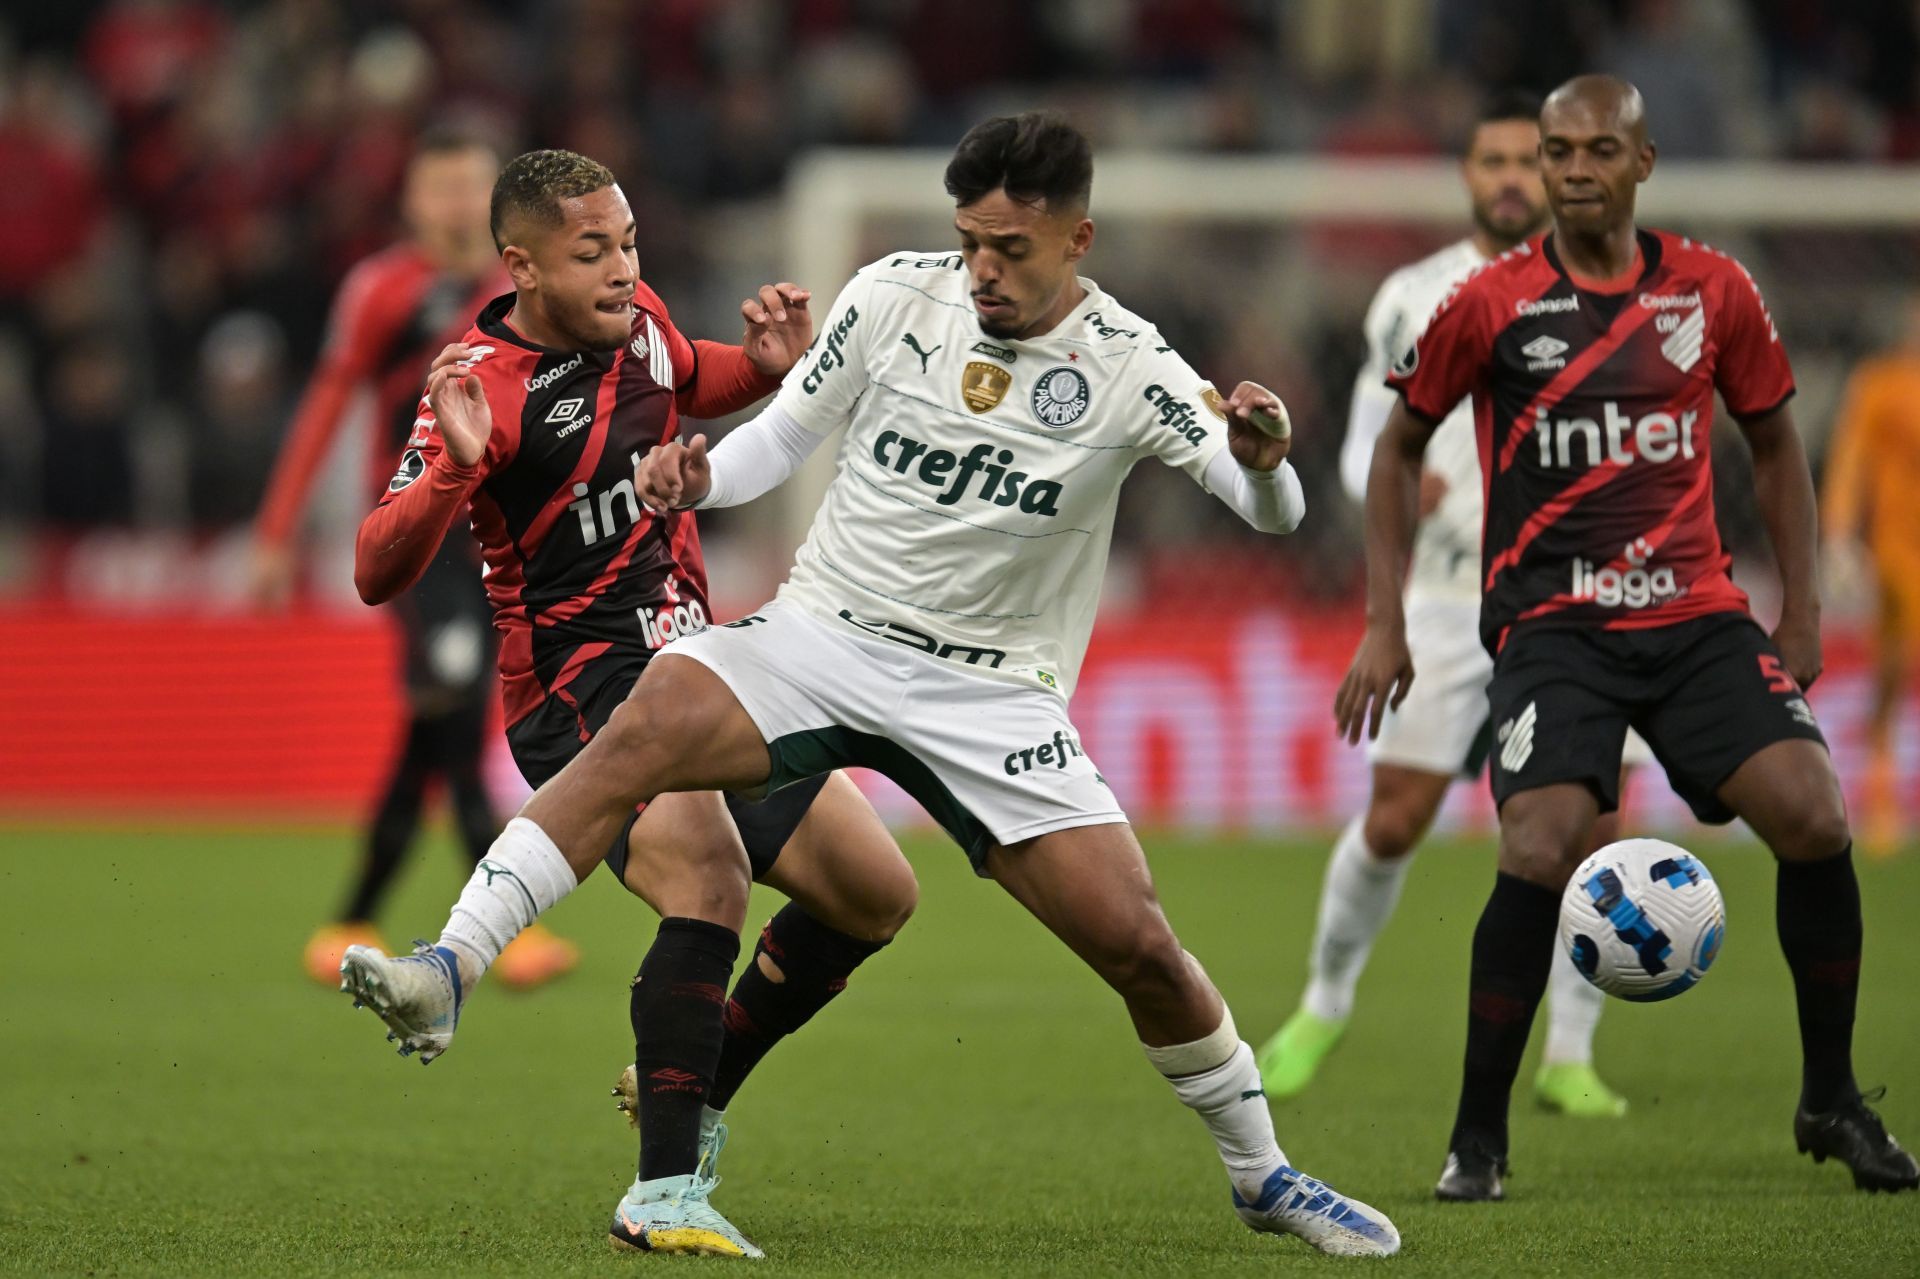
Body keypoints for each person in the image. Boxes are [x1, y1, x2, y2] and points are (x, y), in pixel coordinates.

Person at [343, 112, 1401, 1258]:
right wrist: (693, 482)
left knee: (1086, 931)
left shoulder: (1132, 364)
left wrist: (1266, 464)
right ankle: (461, 975)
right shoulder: (897, 293)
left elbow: (1268, 512)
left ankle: (1263, 1173)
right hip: (818, 633)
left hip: (993, 692)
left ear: (1078, 239)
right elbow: (780, 439)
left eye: (1011, 248)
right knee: (666, 755)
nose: (983, 269)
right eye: (970, 241)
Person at [1336, 74, 1918, 1200]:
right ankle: (1477, 1138)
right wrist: (1385, 621)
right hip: (1556, 628)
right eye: (1557, 153)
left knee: (1814, 813)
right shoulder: (1489, 302)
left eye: (1600, 150)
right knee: (1541, 847)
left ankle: (1832, 1100)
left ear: (1644, 162)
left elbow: (1778, 445)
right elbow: (1397, 453)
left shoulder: (1714, 290)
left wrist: (1798, 607)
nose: (1574, 171)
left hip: (1698, 616)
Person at [339, 149, 921, 1257]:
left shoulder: (640, 318)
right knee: (709, 868)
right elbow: (374, 566)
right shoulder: (480, 384)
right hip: (579, 684)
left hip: (698, 662)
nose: (621, 268)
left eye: (630, 243)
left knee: (873, 892)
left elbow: (693, 374)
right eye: (591, 251)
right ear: (523, 266)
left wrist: (758, 368)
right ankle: (660, 1195)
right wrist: (456, 474)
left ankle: (691, 1093)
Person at [1259, 92, 1636, 1119]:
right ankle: (1323, 1004)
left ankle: (1569, 1050)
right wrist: (1373, 486)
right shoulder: (1414, 294)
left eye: (1531, 159)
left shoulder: (1613, 283)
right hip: (1442, 587)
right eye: (1494, 160)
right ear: (1468, 175)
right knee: (1396, 817)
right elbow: (1362, 441)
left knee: (1594, 826)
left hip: (1575, 590)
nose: (1514, 177)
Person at [249, 129, 576, 989]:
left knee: (438, 721)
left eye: (473, 186)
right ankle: (511, 927)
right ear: (412, 201)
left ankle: (352, 914)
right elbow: (328, 400)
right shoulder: (381, 289)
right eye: (442, 189)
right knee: (458, 698)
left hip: (508, 534)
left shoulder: (522, 286)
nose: (459, 204)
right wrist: (277, 529)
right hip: (420, 534)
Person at [1821, 296, 1920, 857]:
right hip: (1896, 553)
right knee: (1889, 678)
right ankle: (1882, 799)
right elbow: (1851, 461)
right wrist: (1838, 537)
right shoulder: (1881, 384)